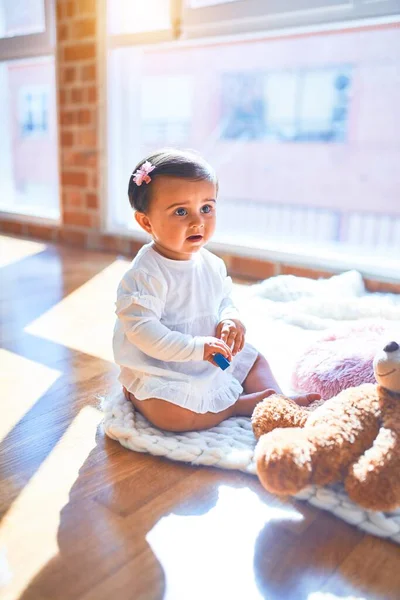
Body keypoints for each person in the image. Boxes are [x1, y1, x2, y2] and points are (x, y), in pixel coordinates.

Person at [113, 148, 320, 433]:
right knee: (172, 416)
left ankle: (278, 403)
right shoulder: (145, 275)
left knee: (254, 360)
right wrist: (196, 349)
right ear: (146, 222)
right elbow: (144, 333)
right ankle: (235, 407)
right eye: (181, 211)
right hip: (164, 366)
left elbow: (223, 299)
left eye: (206, 208)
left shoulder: (211, 263)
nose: (197, 221)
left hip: (211, 355)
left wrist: (229, 319)